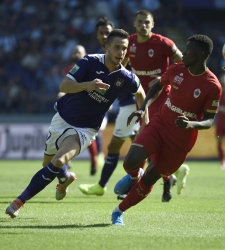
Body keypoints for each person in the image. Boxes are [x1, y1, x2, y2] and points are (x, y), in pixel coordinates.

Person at [5, 29, 148, 219]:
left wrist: (142, 113)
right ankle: (64, 179)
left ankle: (18, 202)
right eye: (116, 47)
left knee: (58, 161)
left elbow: (141, 94)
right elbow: (64, 86)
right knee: (47, 163)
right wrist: (88, 85)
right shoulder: (90, 62)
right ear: (107, 47)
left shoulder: (126, 77)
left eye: (124, 48)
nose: (120, 52)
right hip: (63, 118)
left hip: (86, 129)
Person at [110, 34, 222, 225]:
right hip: (160, 123)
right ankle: (133, 174)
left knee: (151, 178)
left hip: (180, 140)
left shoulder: (212, 86)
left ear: (201, 54)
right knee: (130, 161)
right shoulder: (177, 69)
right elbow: (157, 86)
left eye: (188, 49)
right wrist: (144, 107)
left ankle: (118, 212)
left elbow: (210, 120)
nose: (183, 52)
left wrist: (191, 124)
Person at [79, 9, 188, 202]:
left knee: (146, 142)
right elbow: (121, 66)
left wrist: (170, 77)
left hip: (162, 100)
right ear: (134, 24)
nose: (143, 25)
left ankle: (155, 178)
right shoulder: (130, 43)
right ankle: (170, 173)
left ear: (152, 24)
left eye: (147, 22)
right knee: (144, 143)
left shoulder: (163, 43)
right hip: (141, 100)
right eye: (140, 22)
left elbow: (183, 62)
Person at [79, 17, 142, 198]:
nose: (105, 36)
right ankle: (170, 173)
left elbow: (131, 79)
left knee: (117, 146)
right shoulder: (100, 57)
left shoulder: (121, 53)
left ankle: (106, 185)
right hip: (123, 105)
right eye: (102, 33)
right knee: (140, 145)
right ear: (97, 36)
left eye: (108, 32)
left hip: (129, 104)